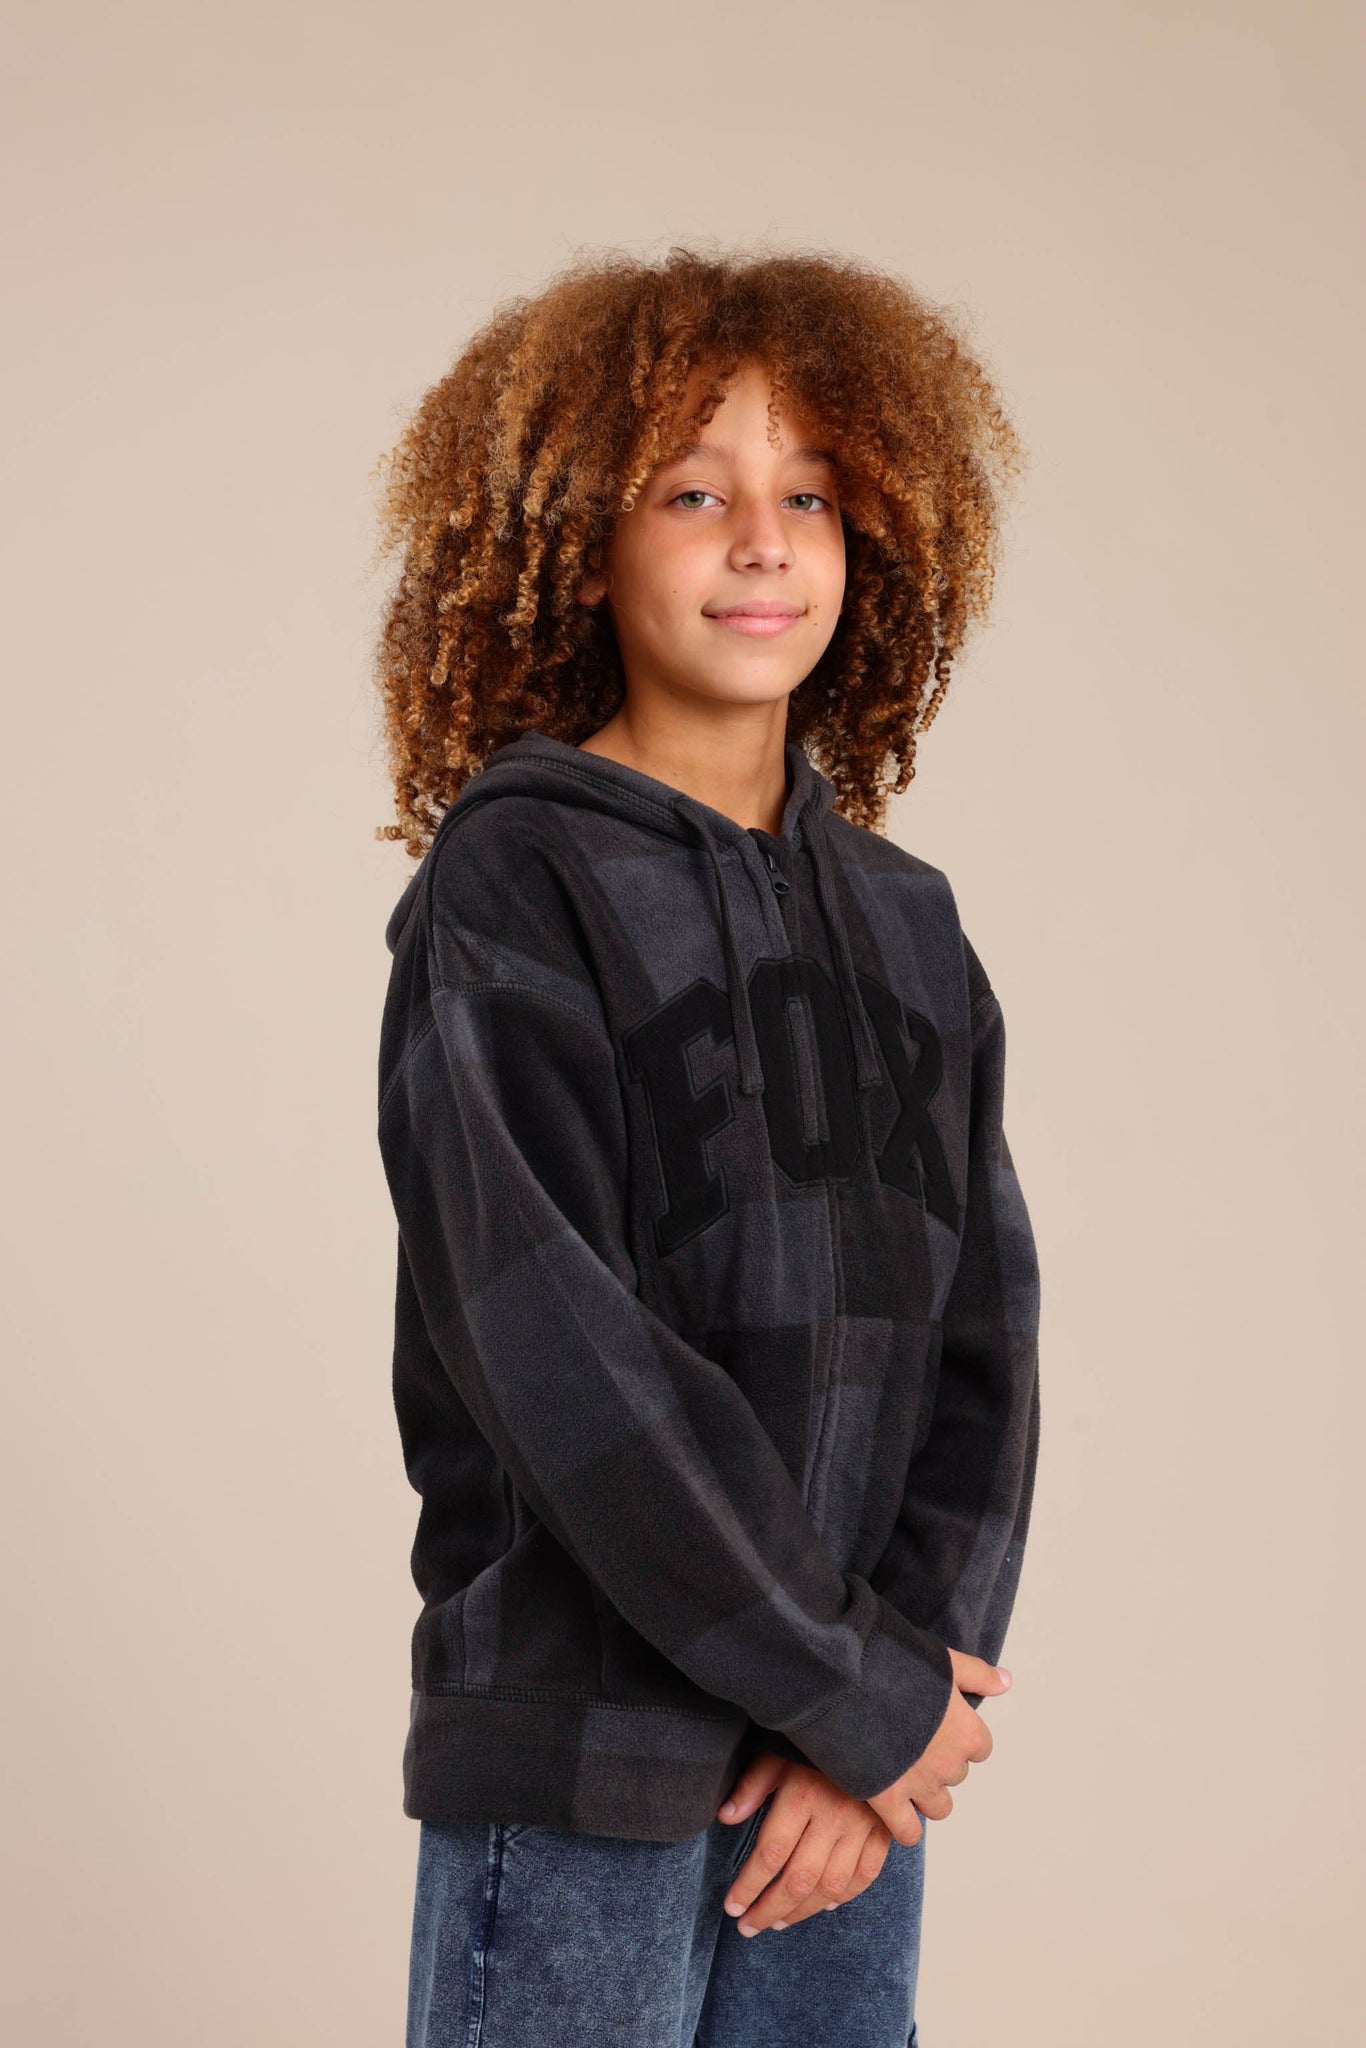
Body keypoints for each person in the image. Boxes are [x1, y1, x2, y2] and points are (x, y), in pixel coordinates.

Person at [372, 244, 1042, 2048]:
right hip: (586, 1750)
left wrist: (892, 1702)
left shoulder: (911, 925)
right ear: (577, 545)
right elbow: (556, 1349)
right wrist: (850, 1690)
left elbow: (982, 1346)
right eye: (692, 493)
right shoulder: (516, 882)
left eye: (808, 495)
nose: (762, 542)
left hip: (845, 1791)